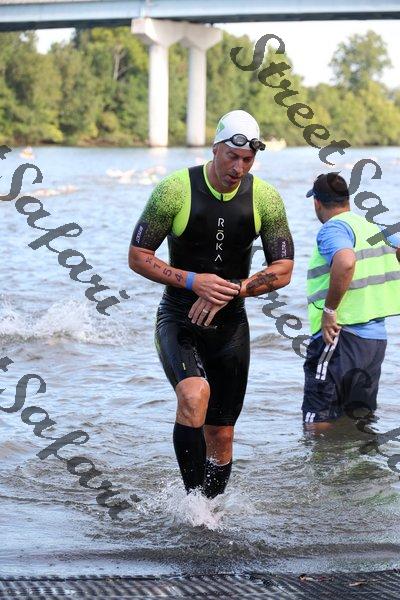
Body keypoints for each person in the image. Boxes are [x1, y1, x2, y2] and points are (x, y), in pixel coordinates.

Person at [129, 110, 294, 497]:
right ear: (215, 148)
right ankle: (193, 506)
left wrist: (236, 289)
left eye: (247, 160)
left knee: (221, 433)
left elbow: (284, 269)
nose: (238, 168)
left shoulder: (266, 198)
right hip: (179, 316)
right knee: (193, 395)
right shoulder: (175, 189)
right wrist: (194, 281)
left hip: (230, 324)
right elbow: (138, 256)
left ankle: (212, 508)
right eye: (232, 157)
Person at [303, 172, 400, 431]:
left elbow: (345, 261)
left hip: (340, 335)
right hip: (374, 343)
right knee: (359, 421)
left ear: (317, 203)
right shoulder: (373, 227)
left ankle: (320, 460)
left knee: (318, 419)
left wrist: (329, 310)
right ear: (347, 200)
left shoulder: (334, 228)